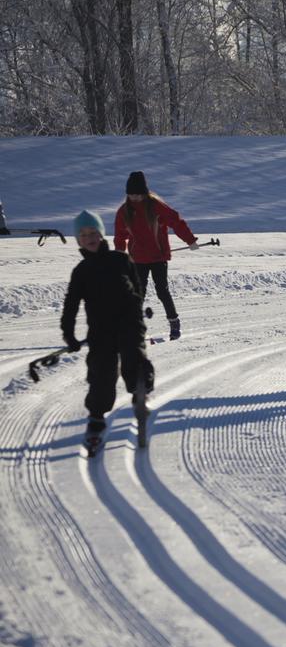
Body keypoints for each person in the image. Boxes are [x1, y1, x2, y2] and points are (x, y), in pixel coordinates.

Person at [61, 210, 153, 454]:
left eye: (93, 233)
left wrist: (136, 311)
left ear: (101, 235)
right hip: (100, 329)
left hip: (128, 321)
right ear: (78, 240)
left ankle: (140, 391)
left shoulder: (120, 259)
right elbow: (70, 305)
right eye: (84, 235)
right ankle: (97, 416)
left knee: (133, 355)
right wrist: (68, 334)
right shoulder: (80, 271)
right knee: (101, 371)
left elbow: (138, 287)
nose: (89, 238)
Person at [113, 170, 199, 340]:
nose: (135, 198)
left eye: (138, 194)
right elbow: (120, 235)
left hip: (158, 257)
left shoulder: (156, 206)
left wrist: (190, 240)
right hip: (138, 258)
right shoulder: (124, 211)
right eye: (131, 195)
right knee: (138, 292)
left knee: (162, 290)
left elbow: (176, 221)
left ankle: (174, 322)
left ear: (145, 192)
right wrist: (119, 255)